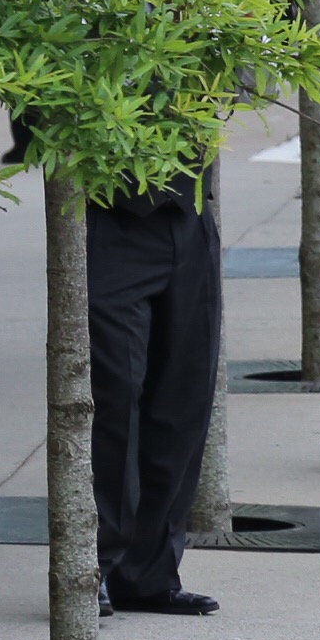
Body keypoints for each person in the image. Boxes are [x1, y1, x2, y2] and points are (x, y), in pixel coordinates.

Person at [87, 162, 222, 615]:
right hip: (108, 216)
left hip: (188, 214)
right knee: (113, 399)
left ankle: (147, 573)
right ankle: (93, 567)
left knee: (184, 398)